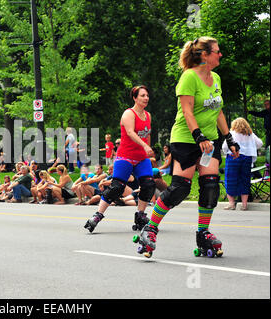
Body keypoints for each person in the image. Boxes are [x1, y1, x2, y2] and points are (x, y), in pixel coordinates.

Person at [136, 37, 240, 258]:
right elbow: (187, 111)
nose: (220, 55)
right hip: (186, 138)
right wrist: (198, 135)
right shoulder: (189, 77)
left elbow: (218, 111)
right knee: (180, 188)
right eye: (217, 52)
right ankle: (150, 228)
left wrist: (229, 138)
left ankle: (203, 233)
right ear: (204, 55)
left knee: (211, 186)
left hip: (209, 141)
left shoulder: (216, 78)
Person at [84, 85, 156, 233]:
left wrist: (148, 148)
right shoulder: (128, 114)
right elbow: (130, 132)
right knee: (117, 187)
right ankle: (97, 215)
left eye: (147, 95)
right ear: (135, 98)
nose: (146, 98)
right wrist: (145, 146)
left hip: (141, 157)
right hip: (126, 156)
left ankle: (140, 215)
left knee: (148, 184)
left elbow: (147, 134)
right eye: (142, 95)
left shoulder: (148, 115)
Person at [222, 117, 263, 211]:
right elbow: (260, 143)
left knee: (230, 180)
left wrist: (226, 152)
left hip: (233, 157)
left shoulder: (232, 133)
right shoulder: (250, 134)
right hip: (247, 158)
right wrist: (251, 147)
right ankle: (244, 205)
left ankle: (231, 204)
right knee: (245, 180)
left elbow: (224, 146)